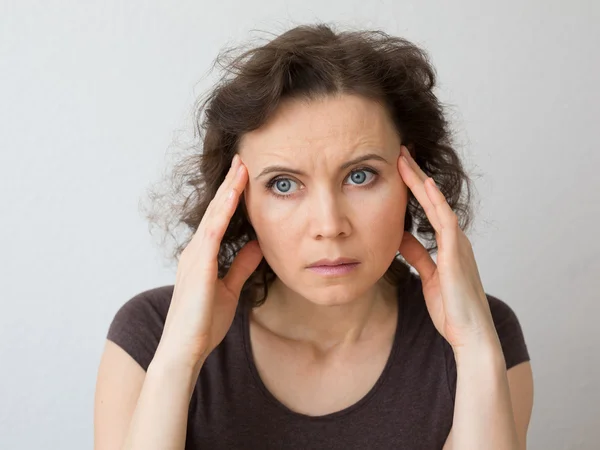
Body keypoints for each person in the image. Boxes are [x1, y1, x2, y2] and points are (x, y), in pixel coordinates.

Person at [94, 23, 533, 450]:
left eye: (360, 176)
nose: (329, 224)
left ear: (412, 179)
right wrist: (179, 359)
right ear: (237, 199)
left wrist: (474, 349)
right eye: (284, 184)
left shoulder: (481, 335)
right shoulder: (151, 333)